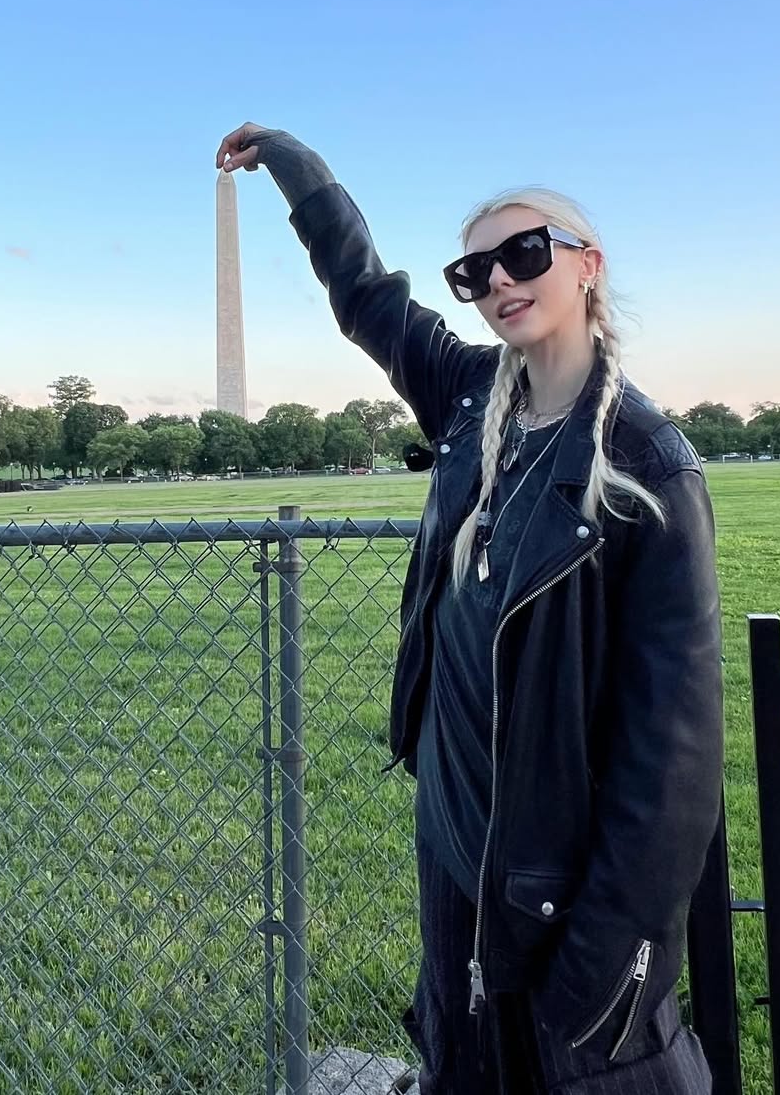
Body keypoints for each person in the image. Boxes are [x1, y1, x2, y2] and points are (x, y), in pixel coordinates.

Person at [216, 124, 723, 1095]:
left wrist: (608, 966)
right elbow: (367, 297)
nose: (497, 279)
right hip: (456, 839)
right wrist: (292, 163)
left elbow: (673, 762)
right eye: (473, 270)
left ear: (587, 266)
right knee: (463, 1057)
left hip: (557, 873)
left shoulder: (648, 469)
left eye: (523, 253)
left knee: (575, 1067)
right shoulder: (466, 400)